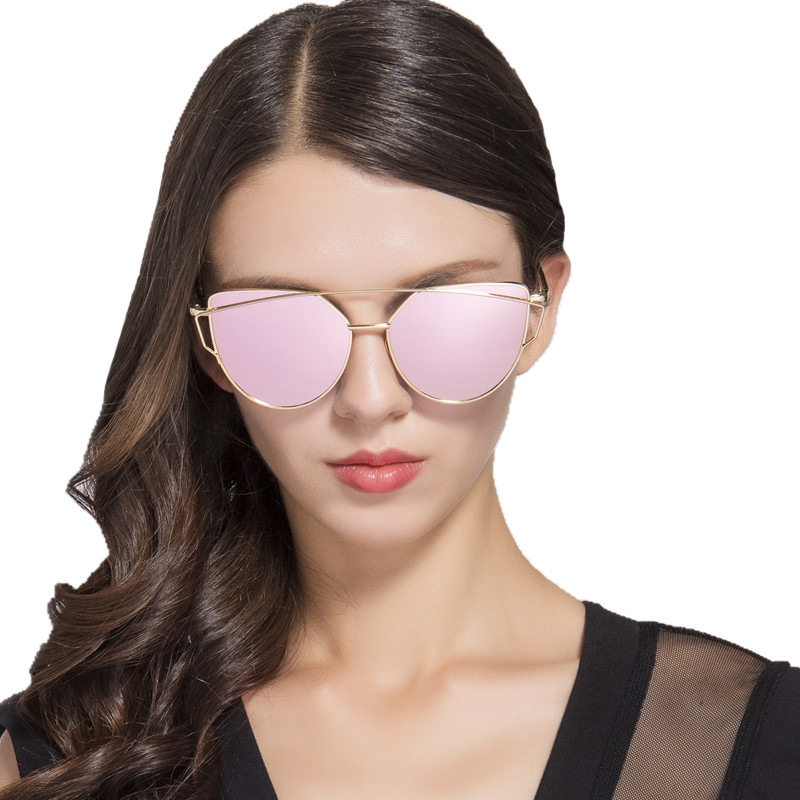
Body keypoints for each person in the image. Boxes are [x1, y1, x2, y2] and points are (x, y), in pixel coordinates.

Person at [1, 1, 798, 798]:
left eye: (442, 310)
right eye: (282, 322)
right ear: (205, 342)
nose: (370, 398)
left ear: (541, 308)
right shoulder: (61, 760)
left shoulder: (758, 746)